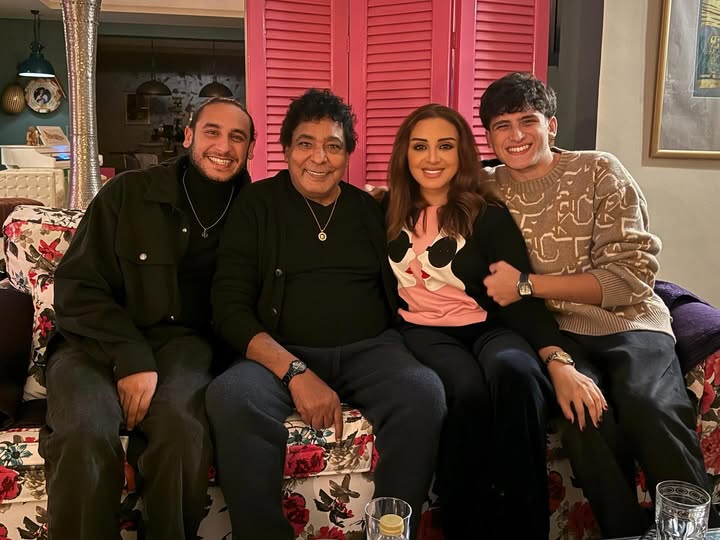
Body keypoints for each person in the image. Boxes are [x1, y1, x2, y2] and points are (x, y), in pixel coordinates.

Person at [479, 71, 719, 537]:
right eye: (501, 126)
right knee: (584, 415)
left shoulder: (599, 171)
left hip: (629, 321)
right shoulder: (486, 185)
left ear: (551, 125)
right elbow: (423, 192)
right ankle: (623, 530)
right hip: (557, 332)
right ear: (489, 136)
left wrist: (527, 284)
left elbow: (631, 277)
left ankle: (692, 531)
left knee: (649, 405)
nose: (515, 136)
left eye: (527, 121)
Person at [206, 88, 446, 540]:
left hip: (370, 350)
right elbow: (229, 308)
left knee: (423, 393)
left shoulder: (369, 209)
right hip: (281, 352)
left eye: (333, 146)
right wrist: (295, 372)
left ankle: (389, 534)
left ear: (348, 154)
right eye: (305, 143)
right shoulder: (256, 205)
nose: (319, 157)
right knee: (231, 397)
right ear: (285, 149)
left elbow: (435, 207)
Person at [384, 103, 606, 539]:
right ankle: (465, 525)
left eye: (445, 146)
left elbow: (520, 298)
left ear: (463, 153)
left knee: (517, 374)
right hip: (424, 330)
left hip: (490, 326)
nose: (432, 158)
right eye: (420, 147)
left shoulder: (488, 215)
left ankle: (524, 527)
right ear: (405, 155)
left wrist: (557, 361)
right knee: (467, 391)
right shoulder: (386, 212)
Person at [40, 97, 255, 540]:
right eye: (212, 131)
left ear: (250, 149)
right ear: (189, 135)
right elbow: (78, 287)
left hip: (183, 348)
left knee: (183, 434)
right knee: (84, 432)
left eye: (237, 137)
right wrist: (130, 355)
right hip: (92, 341)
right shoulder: (128, 193)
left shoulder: (254, 213)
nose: (224, 146)